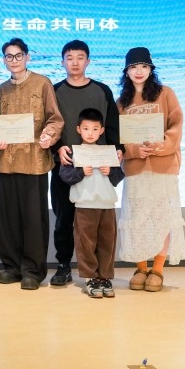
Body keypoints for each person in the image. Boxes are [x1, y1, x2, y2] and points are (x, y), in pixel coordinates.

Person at [49, 40, 121, 287]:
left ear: (88, 61)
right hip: (66, 164)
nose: (75, 62)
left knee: (96, 223)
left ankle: (98, 272)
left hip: (98, 166)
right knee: (63, 218)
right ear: (62, 62)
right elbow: (48, 124)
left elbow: (112, 125)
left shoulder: (102, 90)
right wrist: (57, 148)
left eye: (80, 57)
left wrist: (118, 151)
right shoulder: (54, 90)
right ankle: (63, 265)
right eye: (69, 58)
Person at [0, 38, 64, 290]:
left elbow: (55, 119)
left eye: (18, 55)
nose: (14, 60)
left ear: (27, 57)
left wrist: (49, 136)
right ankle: (12, 267)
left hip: (35, 161)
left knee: (34, 219)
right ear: (4, 60)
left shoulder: (42, 83)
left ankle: (32, 271)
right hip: (7, 162)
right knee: (8, 218)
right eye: (9, 56)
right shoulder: (1, 89)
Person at [117, 47, 185, 292]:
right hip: (135, 169)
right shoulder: (121, 102)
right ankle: (141, 268)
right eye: (134, 67)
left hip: (163, 167)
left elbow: (176, 126)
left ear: (151, 69)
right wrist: (134, 150)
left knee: (161, 219)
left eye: (144, 66)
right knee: (137, 219)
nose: (139, 71)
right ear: (126, 71)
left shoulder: (166, 93)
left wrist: (159, 146)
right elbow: (119, 140)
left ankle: (157, 269)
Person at [58, 108, 124, 298]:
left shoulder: (108, 152)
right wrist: (80, 172)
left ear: (102, 130)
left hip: (107, 205)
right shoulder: (73, 151)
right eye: (86, 129)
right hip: (84, 205)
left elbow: (119, 176)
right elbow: (65, 175)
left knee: (107, 243)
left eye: (95, 129)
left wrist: (110, 171)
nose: (90, 133)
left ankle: (104, 277)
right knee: (85, 243)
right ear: (78, 129)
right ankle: (90, 278)